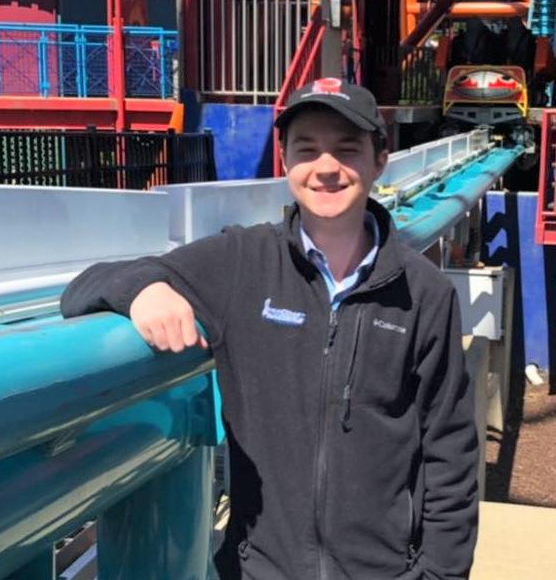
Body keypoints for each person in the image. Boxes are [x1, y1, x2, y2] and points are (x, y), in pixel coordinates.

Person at [60, 78, 479, 579]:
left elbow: (450, 452)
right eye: (308, 149)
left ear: (379, 159)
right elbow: (85, 285)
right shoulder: (243, 262)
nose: (326, 168)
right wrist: (145, 291)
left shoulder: (425, 293)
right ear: (284, 160)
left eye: (347, 150)